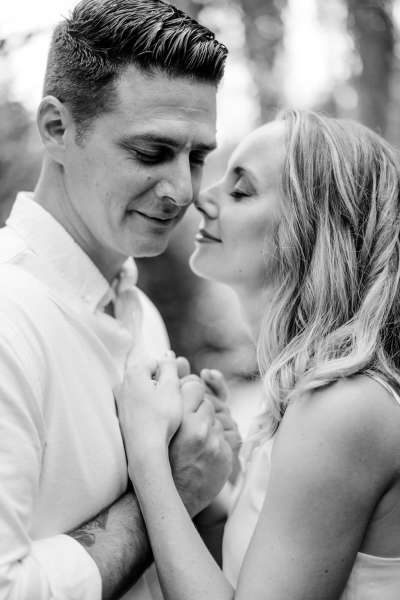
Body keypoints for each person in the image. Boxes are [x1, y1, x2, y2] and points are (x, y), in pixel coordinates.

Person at [0, 1, 240, 599]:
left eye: (197, 157)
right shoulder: (8, 316)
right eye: (151, 153)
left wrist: (215, 469)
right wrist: (172, 489)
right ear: (57, 128)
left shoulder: (140, 313)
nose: (182, 190)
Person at [117, 109, 400, 600]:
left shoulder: (343, 408)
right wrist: (221, 483)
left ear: (313, 228)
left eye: (241, 190)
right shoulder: (313, 397)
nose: (200, 198)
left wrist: (149, 460)